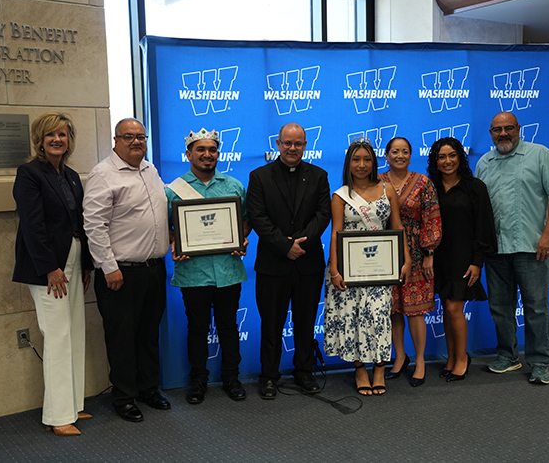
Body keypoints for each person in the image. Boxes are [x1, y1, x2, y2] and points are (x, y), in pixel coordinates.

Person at [83, 118, 171, 422]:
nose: (136, 142)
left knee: (148, 334)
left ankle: (149, 389)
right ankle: (123, 397)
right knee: (122, 338)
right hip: (120, 273)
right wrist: (108, 267)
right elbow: (94, 226)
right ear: (116, 141)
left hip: (153, 269)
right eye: (129, 137)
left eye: (141, 137)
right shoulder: (103, 175)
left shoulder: (150, 169)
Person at [12, 112, 92, 436]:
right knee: (57, 336)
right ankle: (58, 417)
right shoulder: (29, 173)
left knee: (74, 332)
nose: (57, 140)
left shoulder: (71, 175)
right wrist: (50, 268)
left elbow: (79, 224)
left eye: (63, 135)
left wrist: (85, 265)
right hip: (48, 267)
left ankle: (72, 405)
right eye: (51, 136)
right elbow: (32, 226)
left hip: (73, 258)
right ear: (40, 141)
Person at [475, 112, 549, 385]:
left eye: (508, 128)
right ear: (490, 132)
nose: (503, 134)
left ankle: (539, 362)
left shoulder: (539, 155)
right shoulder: (484, 163)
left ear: (518, 129)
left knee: (536, 307)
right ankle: (507, 356)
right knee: (500, 307)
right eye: (497, 130)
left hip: (532, 247)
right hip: (496, 250)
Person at [246, 122, 331, 399]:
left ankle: (304, 372)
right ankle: (269, 376)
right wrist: (285, 246)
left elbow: (323, 214)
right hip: (274, 263)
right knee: (271, 323)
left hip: (308, 263)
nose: (292, 148)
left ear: (305, 145)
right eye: (287, 143)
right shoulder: (259, 176)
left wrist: (299, 244)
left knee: (306, 321)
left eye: (298, 143)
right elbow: (258, 217)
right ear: (278, 143)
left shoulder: (319, 176)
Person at [166, 128, 251, 404]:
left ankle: (231, 378)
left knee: (228, 327)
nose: (207, 155)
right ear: (189, 154)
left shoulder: (234, 186)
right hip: (193, 273)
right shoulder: (172, 190)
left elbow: (245, 220)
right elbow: (166, 226)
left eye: (212, 150)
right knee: (197, 329)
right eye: (200, 150)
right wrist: (174, 243)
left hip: (228, 270)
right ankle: (198, 381)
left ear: (218, 153)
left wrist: (242, 239)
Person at [324, 138, 409, 395]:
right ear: (349, 163)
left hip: (380, 267)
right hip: (349, 269)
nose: (361, 165)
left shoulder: (387, 189)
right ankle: (360, 368)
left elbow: (397, 226)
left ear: (374, 162)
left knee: (379, 315)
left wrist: (406, 259)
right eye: (356, 160)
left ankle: (380, 366)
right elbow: (335, 234)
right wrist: (335, 270)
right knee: (354, 317)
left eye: (367, 159)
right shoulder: (340, 195)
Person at [427, 137, 497, 382]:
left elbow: (484, 226)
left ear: (460, 157)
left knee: (455, 308)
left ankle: (462, 358)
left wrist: (478, 261)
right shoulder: (430, 186)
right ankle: (452, 356)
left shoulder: (475, 187)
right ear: (435, 161)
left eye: (452, 155)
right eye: (442, 157)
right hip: (437, 257)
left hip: (463, 257)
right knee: (447, 308)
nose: (447, 161)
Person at [379, 137, 442, 387]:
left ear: (411, 155)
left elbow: (432, 217)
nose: (400, 156)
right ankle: (400, 357)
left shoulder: (423, 182)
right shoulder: (378, 182)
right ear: (386, 155)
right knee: (393, 309)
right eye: (395, 151)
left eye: (405, 151)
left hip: (417, 254)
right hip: (385, 255)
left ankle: (420, 360)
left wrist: (429, 253)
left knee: (415, 311)